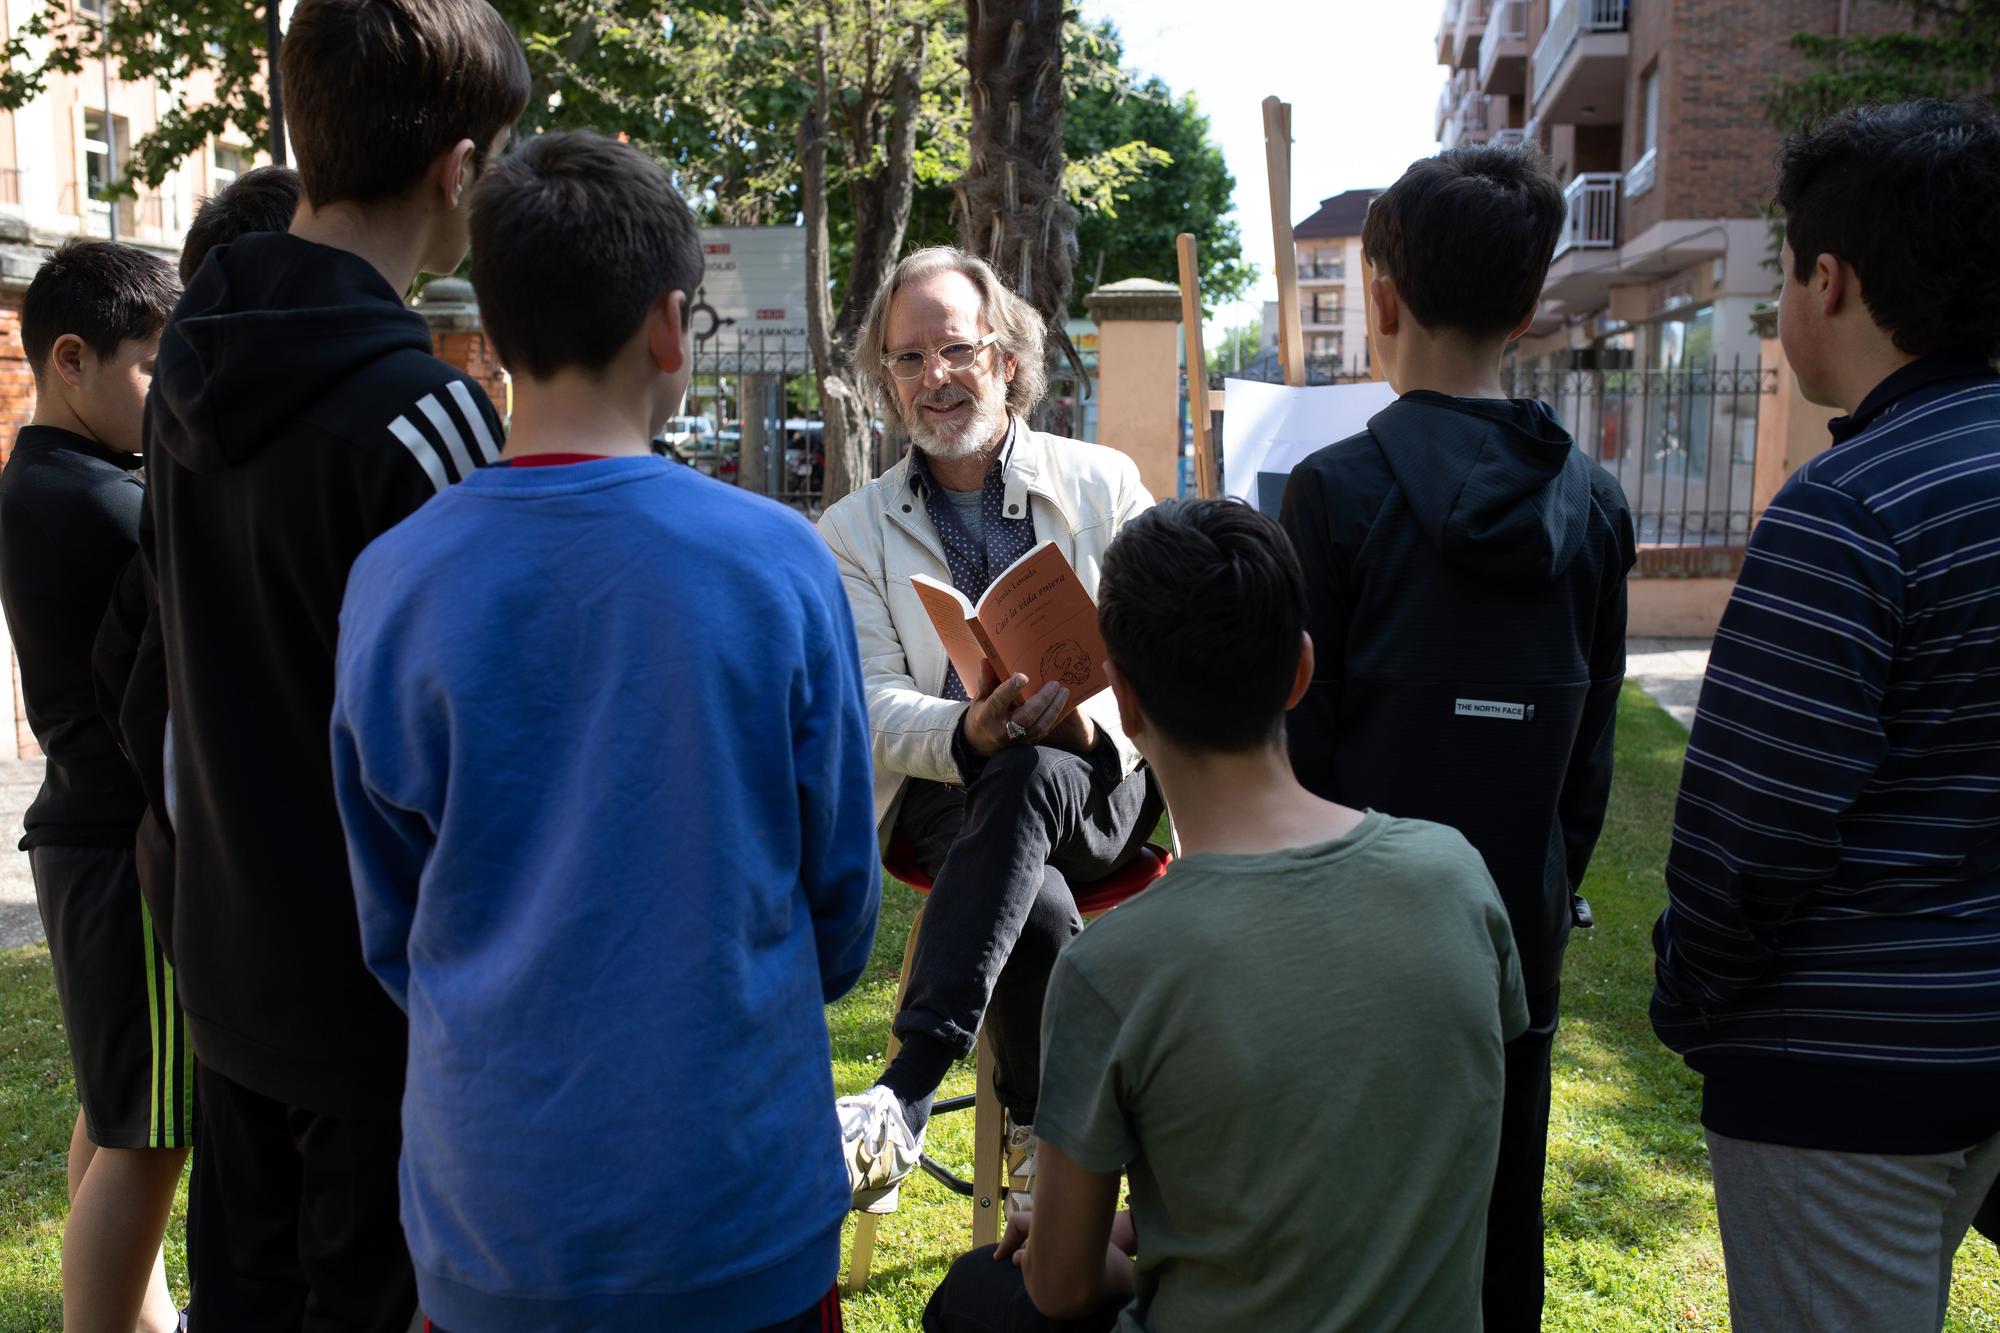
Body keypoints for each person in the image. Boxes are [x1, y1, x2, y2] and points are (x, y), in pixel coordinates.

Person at [329, 129, 878, 1333]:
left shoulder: (392, 578)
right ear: (671, 327)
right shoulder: (775, 561)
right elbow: (838, 897)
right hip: (734, 1206)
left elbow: (391, 916)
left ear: (494, 327)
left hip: (496, 1214)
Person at [144, 1, 528, 1325]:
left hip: (229, 959)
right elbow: (493, 741)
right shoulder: (422, 419)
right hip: (376, 1006)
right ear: (459, 170)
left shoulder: (183, 371)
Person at [923, 498, 1528, 1332]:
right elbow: (1355, 1147)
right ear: (1302, 669)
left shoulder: (1112, 969)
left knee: (971, 1298)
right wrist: (1140, 1230)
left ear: (1123, 702)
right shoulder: (1459, 878)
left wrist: (1107, 1250)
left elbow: (1061, 1286)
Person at [1650, 99, 2000, 1333]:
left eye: (1785, 271)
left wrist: (1691, 995)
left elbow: (1751, 829)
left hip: (1842, 1073)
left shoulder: (1846, 509)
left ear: (1829, 279)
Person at [1277, 142, 1635, 1331]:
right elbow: (1585, 751)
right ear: (1528, 307)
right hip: (1508, 943)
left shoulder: (1329, 492)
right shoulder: (1591, 500)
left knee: (1348, 1231)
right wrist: (1544, 883)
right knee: (1497, 1232)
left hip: (1347, 943)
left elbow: (1300, 739)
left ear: (1378, 298)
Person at [817, 245, 1162, 1206]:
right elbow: (872, 701)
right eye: (908, 359)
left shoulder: (1105, 484)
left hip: (1100, 782)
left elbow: (1161, 648)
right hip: (951, 790)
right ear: (886, 380)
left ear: (1007, 356)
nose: (934, 378)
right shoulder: (851, 530)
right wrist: (972, 729)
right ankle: (1040, 1147)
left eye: (956, 350)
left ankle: (906, 1089)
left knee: (1036, 774)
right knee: (1035, 887)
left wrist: (1088, 726)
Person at [0, 238, 184, 1333]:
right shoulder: (102, 505)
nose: (168, 394)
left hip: (82, 837)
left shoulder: (49, 480)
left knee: (119, 1104)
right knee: (150, 1132)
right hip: (124, 842)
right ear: (70, 358)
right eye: (153, 365)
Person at [95, 163, 304, 959]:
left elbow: (133, 665)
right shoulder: (366, 424)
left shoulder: (174, 441)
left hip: (197, 879)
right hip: (307, 910)